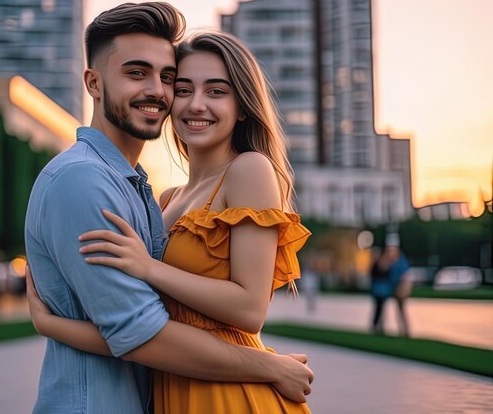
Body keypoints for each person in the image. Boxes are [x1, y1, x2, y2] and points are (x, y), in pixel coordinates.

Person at [26, 23, 313, 414]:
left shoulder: (248, 170)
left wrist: (150, 269)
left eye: (216, 91)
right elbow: (138, 330)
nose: (195, 104)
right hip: (178, 385)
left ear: (242, 106)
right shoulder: (166, 198)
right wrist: (55, 326)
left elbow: (249, 310)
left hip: (230, 395)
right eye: (183, 89)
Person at [370, 233, 410, 336]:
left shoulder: (401, 260)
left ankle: (404, 330)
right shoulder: (387, 259)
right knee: (382, 309)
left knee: (401, 310)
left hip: (398, 288)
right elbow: (381, 269)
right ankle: (380, 327)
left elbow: (405, 274)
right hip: (389, 288)